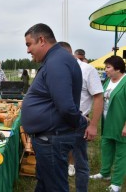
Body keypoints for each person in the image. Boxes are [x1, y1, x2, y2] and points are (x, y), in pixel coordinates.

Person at [21, 23, 88, 192]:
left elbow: (65, 106)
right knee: (45, 184)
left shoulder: (57, 62)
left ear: (42, 40)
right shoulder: (55, 59)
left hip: (52, 139)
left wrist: (80, 121)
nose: (28, 50)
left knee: (55, 187)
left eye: (29, 44)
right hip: (48, 138)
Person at [59, 42, 104, 191]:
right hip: (60, 124)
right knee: (59, 163)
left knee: (81, 164)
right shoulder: (58, 69)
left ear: (67, 54)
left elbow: (98, 96)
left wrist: (93, 126)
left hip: (80, 123)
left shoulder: (88, 69)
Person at [90, 56, 126, 192]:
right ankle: (105, 173)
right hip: (107, 122)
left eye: (108, 67)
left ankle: (116, 183)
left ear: (118, 68)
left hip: (121, 123)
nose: (105, 70)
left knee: (121, 153)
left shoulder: (125, 81)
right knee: (106, 148)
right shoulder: (108, 82)